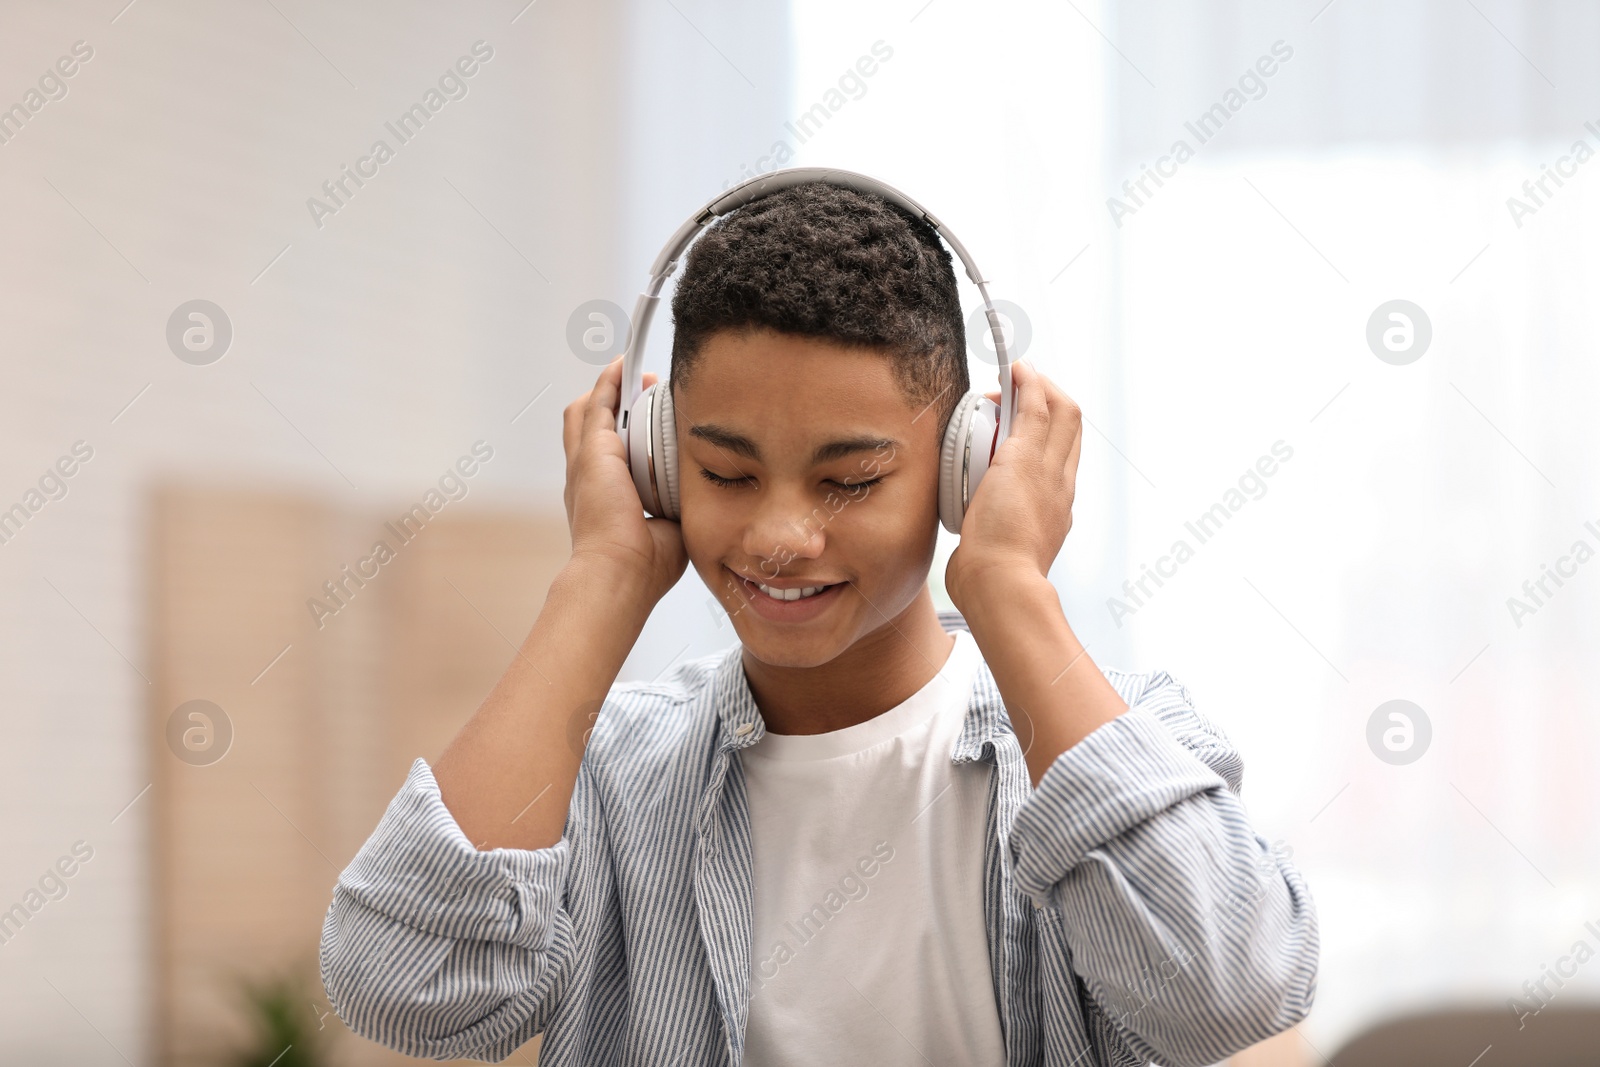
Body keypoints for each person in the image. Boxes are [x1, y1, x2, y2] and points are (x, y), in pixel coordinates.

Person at [318, 181, 1318, 1066]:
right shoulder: (603, 776)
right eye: (725, 473)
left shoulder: (1110, 740)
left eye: (849, 480)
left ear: (968, 465)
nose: (779, 534)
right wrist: (602, 573)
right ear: (654, 458)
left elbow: (1225, 993)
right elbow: (402, 987)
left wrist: (1008, 578)